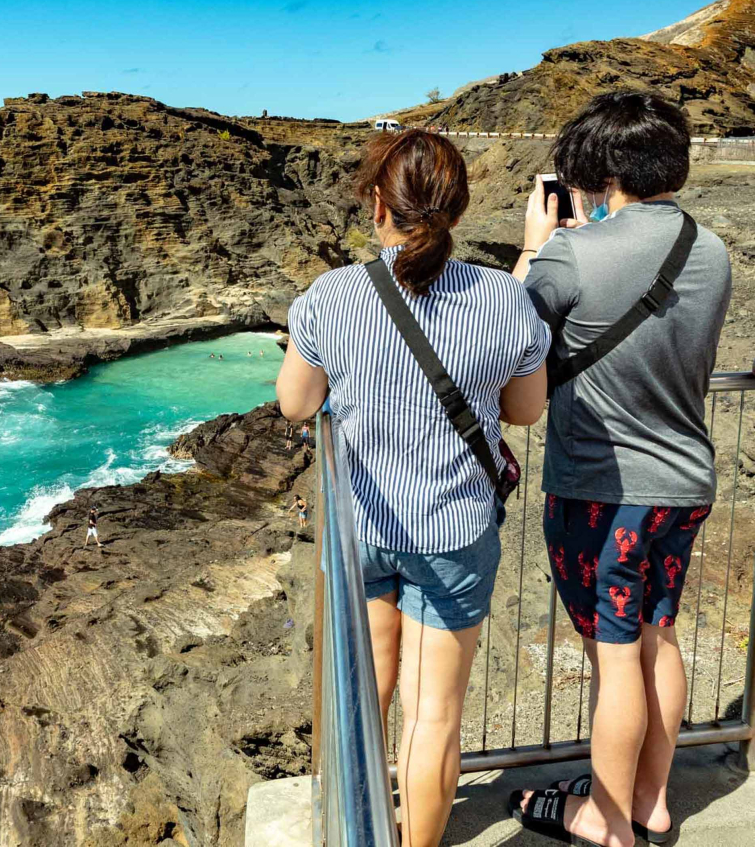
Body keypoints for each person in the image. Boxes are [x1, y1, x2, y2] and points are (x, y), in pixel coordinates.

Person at [276, 129, 549, 847]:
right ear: (457, 209)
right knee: (433, 717)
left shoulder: (331, 296)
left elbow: (297, 405)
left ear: (377, 204)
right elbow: (523, 411)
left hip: (364, 526)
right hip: (454, 533)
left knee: (364, 700)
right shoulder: (503, 300)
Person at [509, 93, 731, 847]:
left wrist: (538, 245)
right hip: (685, 482)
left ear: (595, 168)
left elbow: (505, 338)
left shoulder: (574, 254)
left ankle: (605, 821)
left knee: (616, 657)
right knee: (657, 638)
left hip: (604, 491)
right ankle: (651, 798)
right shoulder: (711, 247)